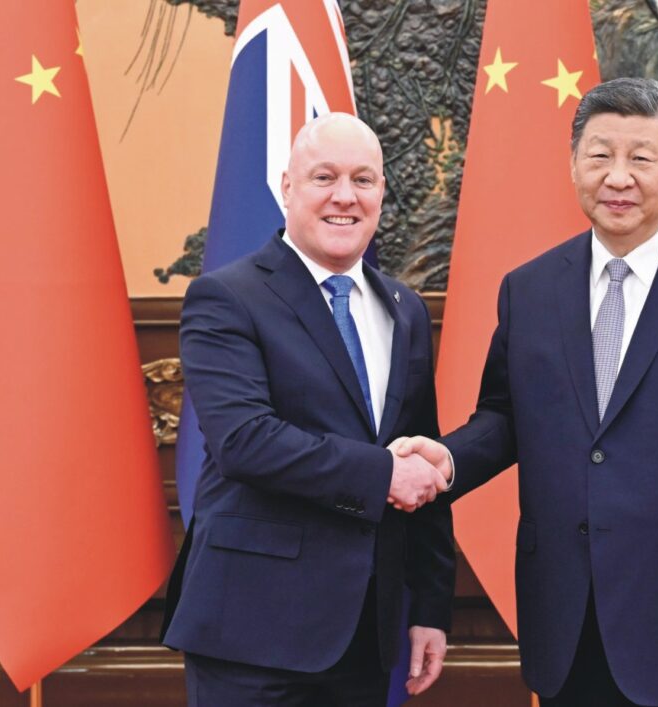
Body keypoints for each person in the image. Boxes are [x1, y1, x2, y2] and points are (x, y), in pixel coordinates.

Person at [396, 77, 658, 707]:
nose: (619, 177)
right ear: (573, 165)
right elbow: (508, 415)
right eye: (600, 156)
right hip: (569, 613)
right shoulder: (530, 289)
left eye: (641, 158)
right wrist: (448, 458)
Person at [161, 113, 456, 706]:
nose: (345, 196)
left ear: (380, 194)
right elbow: (245, 440)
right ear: (288, 187)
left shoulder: (405, 310)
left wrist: (430, 605)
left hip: (365, 632)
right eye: (325, 177)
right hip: (253, 632)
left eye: (364, 180)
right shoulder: (226, 297)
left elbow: (419, 449)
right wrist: (383, 475)